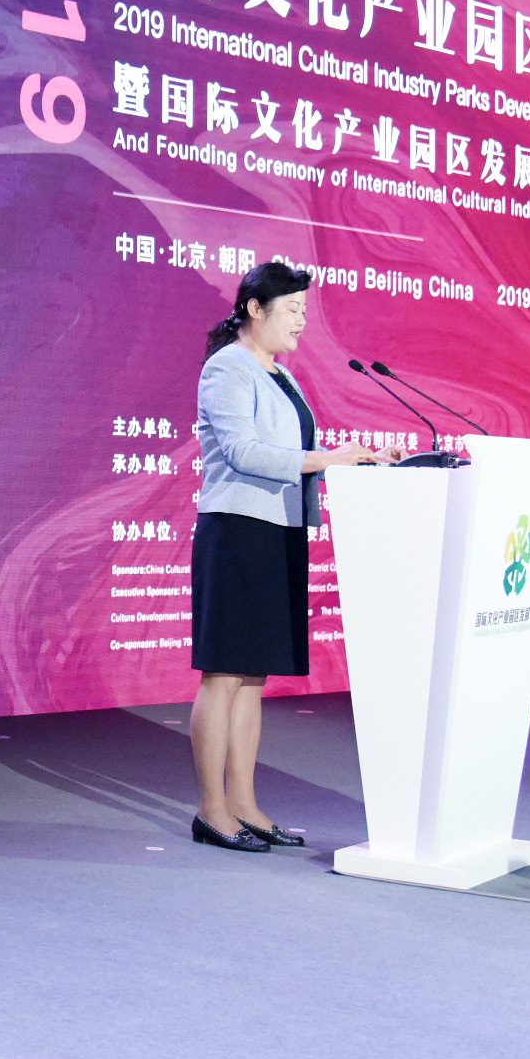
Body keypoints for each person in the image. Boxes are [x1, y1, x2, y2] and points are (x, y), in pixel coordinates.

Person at [188, 261, 401, 852]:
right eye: (292, 309)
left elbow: (294, 454)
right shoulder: (226, 368)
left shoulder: (282, 376)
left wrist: (360, 459)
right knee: (223, 674)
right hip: (236, 530)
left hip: (279, 528)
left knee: (252, 677)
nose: (303, 321)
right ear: (255, 309)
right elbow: (243, 452)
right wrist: (330, 458)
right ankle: (211, 810)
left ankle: (245, 805)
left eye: (305, 309)